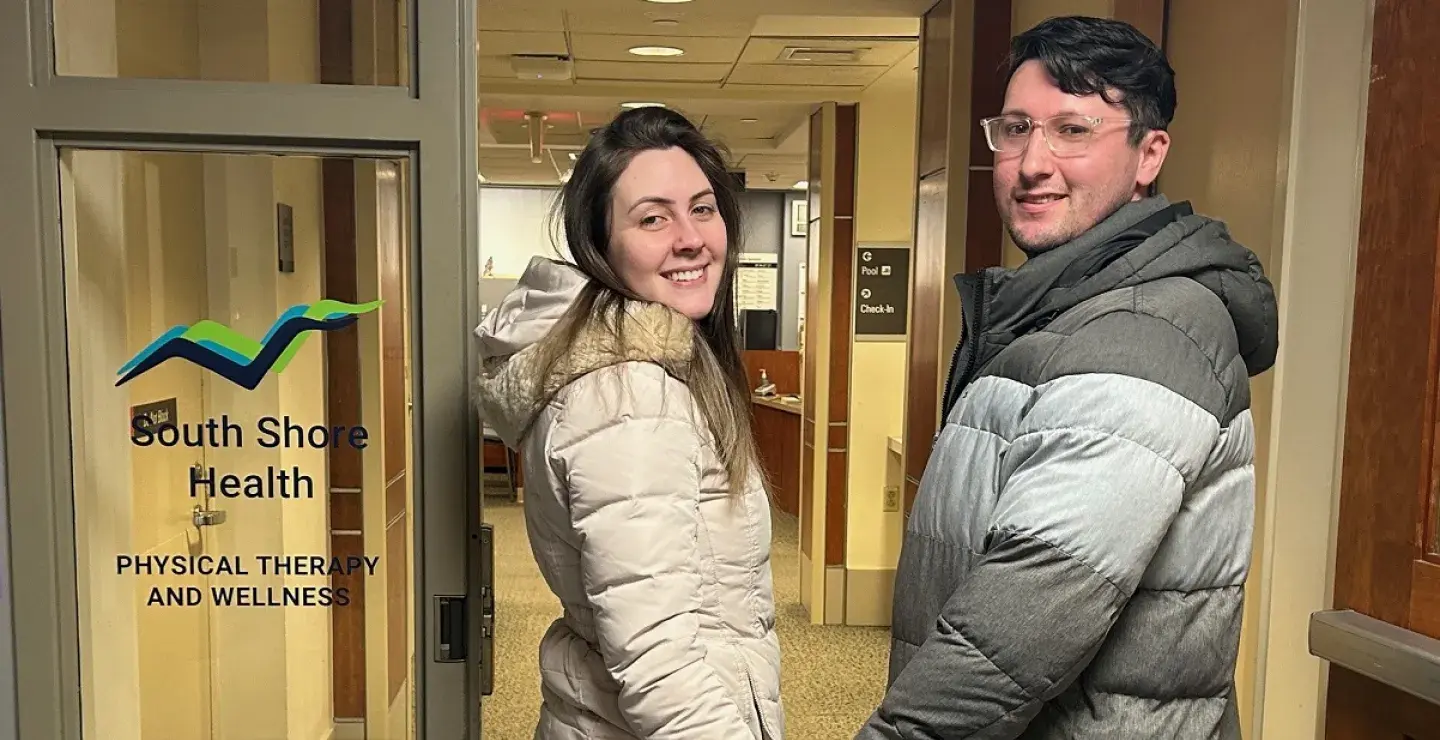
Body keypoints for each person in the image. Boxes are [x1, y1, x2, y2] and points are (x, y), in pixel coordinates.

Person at [857, 16, 1278, 739]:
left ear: (1150, 154)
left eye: (1073, 131)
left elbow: (1020, 622)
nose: (1031, 161)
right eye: (1016, 128)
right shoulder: (1061, 310)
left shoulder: (1142, 330)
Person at [473, 105, 784, 739]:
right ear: (600, 245)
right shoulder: (629, 396)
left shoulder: (654, 367)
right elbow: (658, 664)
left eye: (702, 208)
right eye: (652, 218)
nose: (691, 237)